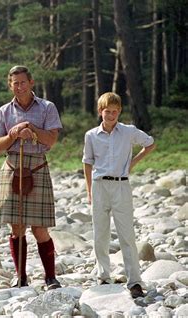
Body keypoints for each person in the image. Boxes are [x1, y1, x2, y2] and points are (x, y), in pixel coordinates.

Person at [0, 65, 62, 289]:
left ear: (31, 83)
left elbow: (50, 140)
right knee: (17, 227)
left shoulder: (47, 107)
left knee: (40, 228)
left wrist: (31, 128)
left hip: (37, 167)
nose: (19, 87)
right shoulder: (4, 111)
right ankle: (20, 277)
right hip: (12, 167)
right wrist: (13, 134)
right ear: (9, 85)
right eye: (15, 83)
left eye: (23, 82)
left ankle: (50, 277)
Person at [82, 92, 155, 299]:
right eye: (107, 112)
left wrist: (131, 163)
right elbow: (87, 162)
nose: (111, 115)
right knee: (100, 233)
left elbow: (150, 143)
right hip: (99, 186)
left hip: (121, 186)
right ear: (100, 112)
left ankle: (135, 281)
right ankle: (104, 276)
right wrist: (89, 191)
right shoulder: (91, 135)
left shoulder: (128, 131)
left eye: (115, 111)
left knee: (127, 235)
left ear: (119, 111)